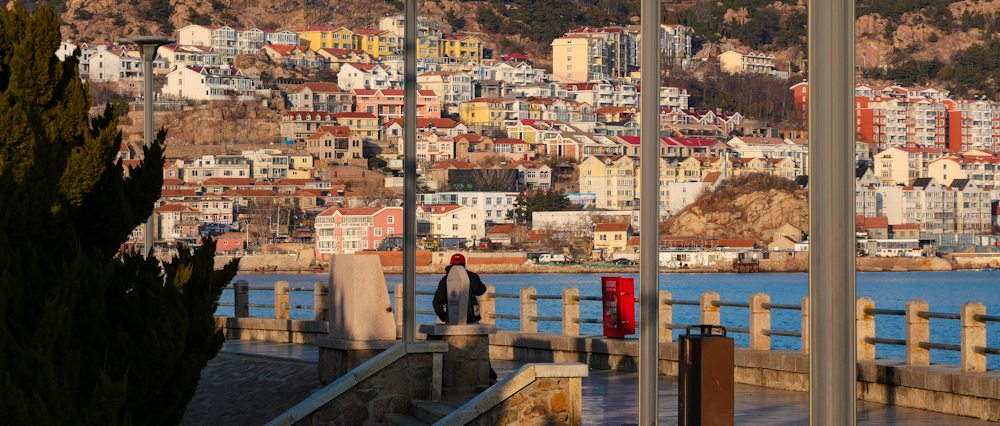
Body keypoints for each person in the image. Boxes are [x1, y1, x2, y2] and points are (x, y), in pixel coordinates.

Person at [433, 253, 497, 383]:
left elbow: (437, 302)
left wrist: (445, 317)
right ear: (464, 264)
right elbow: (482, 290)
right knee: (478, 347)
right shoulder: (472, 277)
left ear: (451, 264)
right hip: (471, 318)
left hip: (452, 321)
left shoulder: (446, 279)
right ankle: (487, 373)